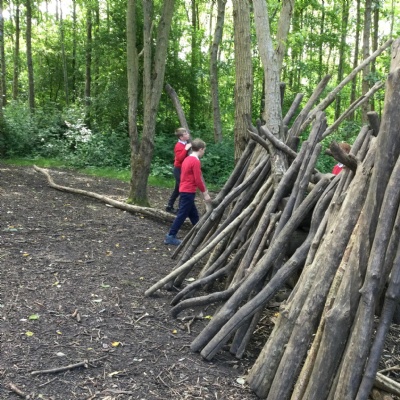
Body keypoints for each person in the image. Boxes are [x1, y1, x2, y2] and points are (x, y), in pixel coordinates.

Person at [164, 138, 211, 246]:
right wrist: (205, 193)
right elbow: (197, 179)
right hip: (188, 191)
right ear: (200, 149)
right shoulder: (195, 161)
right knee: (182, 214)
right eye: (204, 150)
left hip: (184, 189)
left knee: (193, 214)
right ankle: (170, 236)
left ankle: (199, 234)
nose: (204, 152)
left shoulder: (187, 159)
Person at [166, 127, 192, 214]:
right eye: (186, 134)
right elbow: (180, 158)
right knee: (182, 188)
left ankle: (169, 206)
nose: (188, 134)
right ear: (181, 137)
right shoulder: (179, 145)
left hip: (183, 169)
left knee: (177, 189)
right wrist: (186, 149)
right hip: (178, 170)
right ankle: (180, 208)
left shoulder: (186, 143)